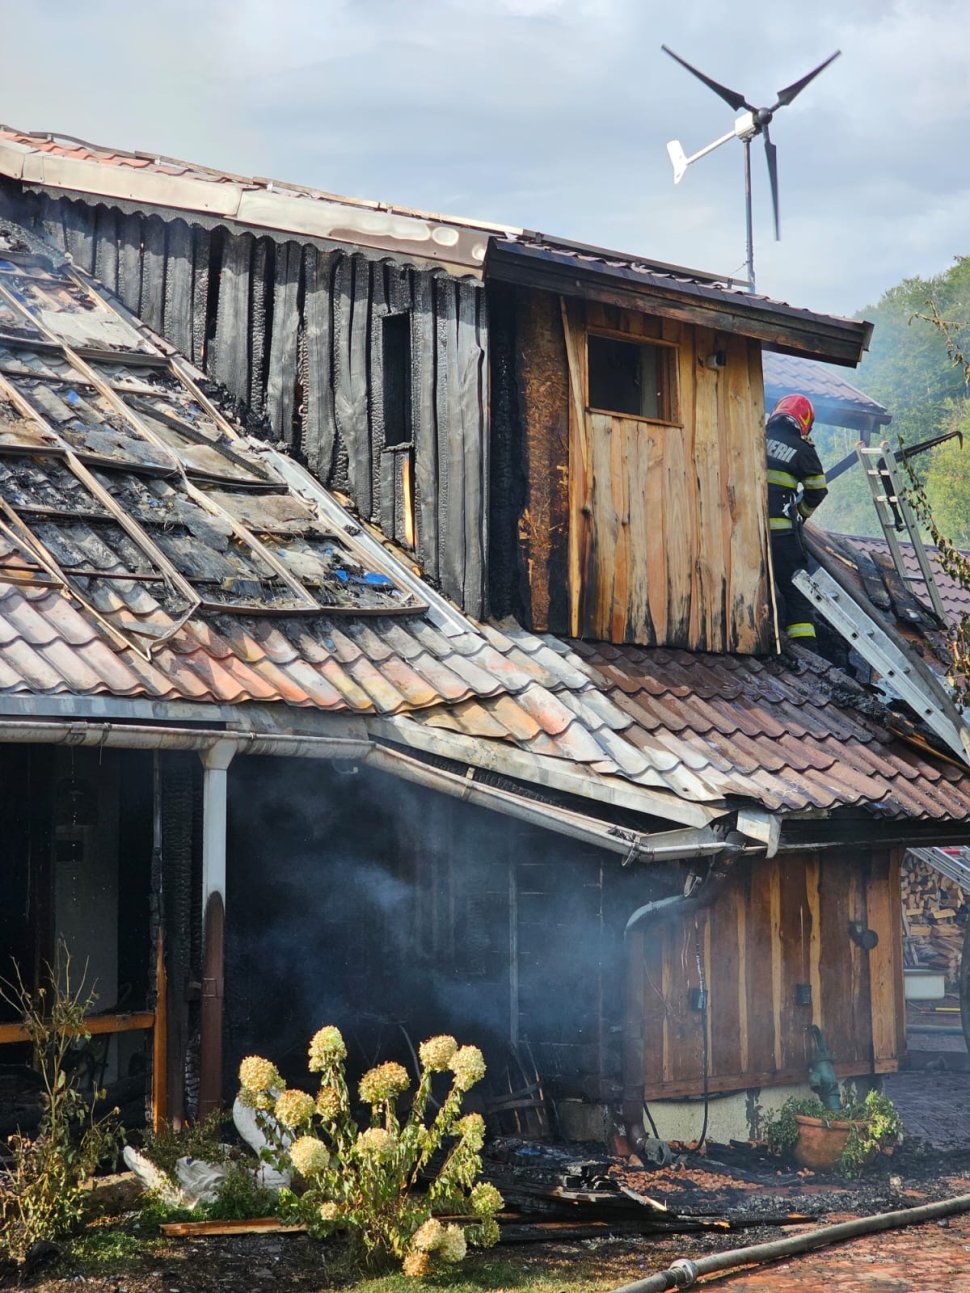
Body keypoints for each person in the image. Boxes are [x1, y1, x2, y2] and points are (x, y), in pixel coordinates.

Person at [765, 393, 828, 646]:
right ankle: (807, 653)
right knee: (796, 591)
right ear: (804, 422)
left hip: (744, 530)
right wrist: (801, 512)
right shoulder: (802, 450)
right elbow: (817, 489)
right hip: (781, 536)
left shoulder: (754, 438)